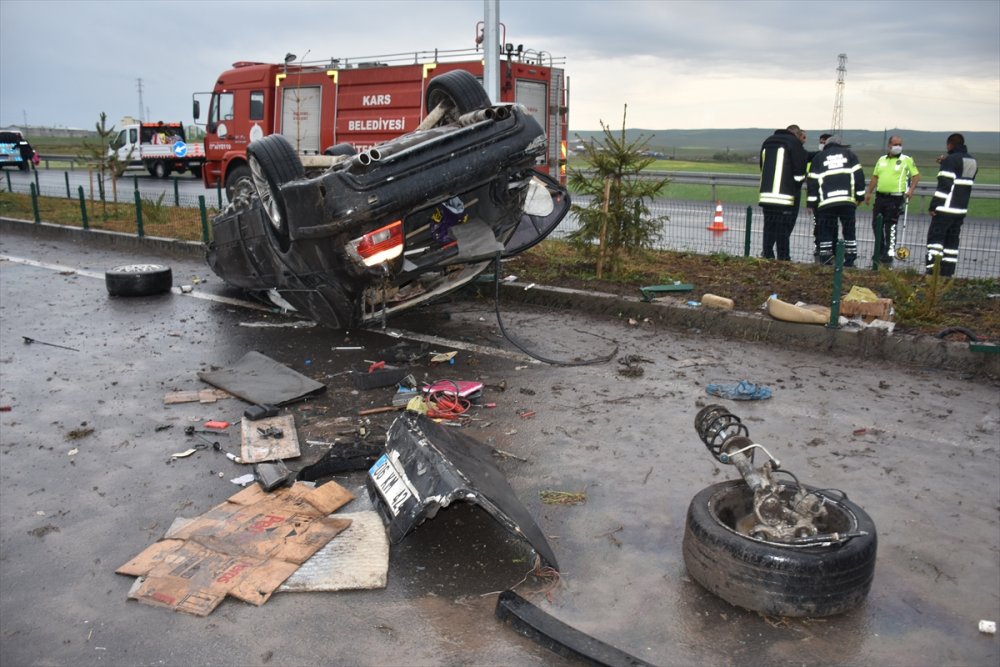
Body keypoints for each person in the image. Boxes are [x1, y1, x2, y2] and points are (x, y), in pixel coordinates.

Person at [807, 135, 865, 267]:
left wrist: (811, 203)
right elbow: (859, 176)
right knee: (849, 230)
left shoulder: (819, 158)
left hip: (826, 203)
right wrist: (859, 196)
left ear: (826, 144)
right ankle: (850, 258)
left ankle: (826, 258)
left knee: (826, 230)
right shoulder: (849, 155)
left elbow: (813, 182)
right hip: (847, 201)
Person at [926, 133, 977, 276]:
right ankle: (948, 273)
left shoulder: (950, 160)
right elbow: (960, 175)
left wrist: (934, 205)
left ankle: (932, 272)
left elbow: (945, 186)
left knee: (935, 241)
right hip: (960, 209)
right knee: (952, 244)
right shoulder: (972, 161)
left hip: (945, 209)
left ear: (950, 145)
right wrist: (946, 161)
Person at [863, 136, 920, 265]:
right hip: (881, 197)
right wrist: (868, 193)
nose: (898, 146)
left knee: (890, 227)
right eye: (895, 144)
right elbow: (875, 177)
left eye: (900, 144)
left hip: (895, 198)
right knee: (876, 224)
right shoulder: (881, 160)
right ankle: (879, 250)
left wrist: (911, 190)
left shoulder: (906, 160)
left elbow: (916, 176)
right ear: (889, 145)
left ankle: (888, 254)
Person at [758, 124, 809, 261]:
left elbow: (762, 165)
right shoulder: (794, 143)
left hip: (766, 195)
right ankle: (783, 257)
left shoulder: (768, 141)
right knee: (783, 228)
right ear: (796, 134)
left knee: (769, 227)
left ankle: (767, 254)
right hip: (785, 196)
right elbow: (799, 171)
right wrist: (796, 187)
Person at [808, 133, 833, 261]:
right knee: (818, 223)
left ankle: (830, 248)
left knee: (830, 224)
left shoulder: (832, 158)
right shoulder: (816, 157)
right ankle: (819, 246)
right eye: (820, 141)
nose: (822, 144)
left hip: (828, 197)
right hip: (817, 196)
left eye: (824, 142)